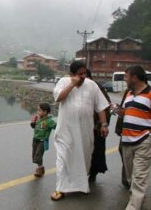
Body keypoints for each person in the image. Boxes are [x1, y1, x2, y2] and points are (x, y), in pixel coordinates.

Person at [51, 61, 109, 201]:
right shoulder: (63, 82)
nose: (83, 76)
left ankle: (81, 185)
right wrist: (72, 84)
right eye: (80, 74)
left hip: (85, 130)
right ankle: (60, 188)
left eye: (84, 73)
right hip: (66, 130)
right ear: (72, 74)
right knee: (64, 158)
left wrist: (104, 124)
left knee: (83, 158)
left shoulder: (92, 85)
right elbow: (58, 98)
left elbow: (100, 106)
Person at [118, 66, 151, 210]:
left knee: (139, 178)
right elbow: (127, 112)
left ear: (134, 78)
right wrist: (116, 110)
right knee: (131, 177)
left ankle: (133, 206)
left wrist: (150, 136)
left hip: (144, 141)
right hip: (126, 142)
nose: (125, 79)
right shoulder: (129, 94)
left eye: (126, 76)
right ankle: (138, 200)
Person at [86, 69, 111, 182]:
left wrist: (102, 124)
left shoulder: (96, 88)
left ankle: (93, 173)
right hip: (83, 127)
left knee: (96, 151)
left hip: (96, 127)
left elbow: (105, 107)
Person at [30, 103, 56, 177]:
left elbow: (57, 127)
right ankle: (41, 167)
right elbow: (34, 127)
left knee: (38, 155)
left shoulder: (50, 121)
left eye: (40, 110)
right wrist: (33, 123)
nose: (38, 112)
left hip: (42, 141)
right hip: (35, 139)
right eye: (38, 110)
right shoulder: (38, 118)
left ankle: (39, 169)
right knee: (34, 155)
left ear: (45, 112)